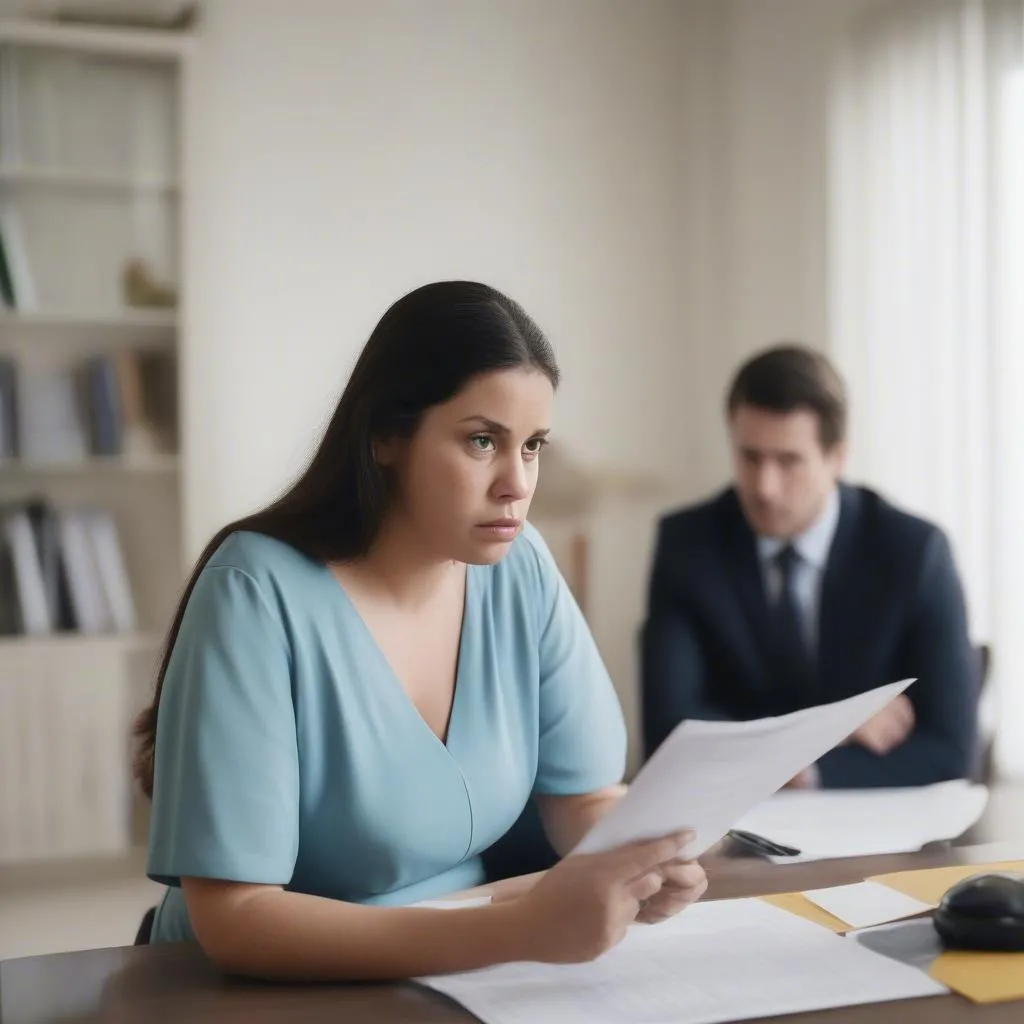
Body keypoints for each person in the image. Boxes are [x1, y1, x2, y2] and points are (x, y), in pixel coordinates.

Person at [134, 281, 707, 982]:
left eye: (531, 446)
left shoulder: (520, 567)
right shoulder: (255, 590)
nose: (517, 483)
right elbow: (237, 918)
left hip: (451, 973)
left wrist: (637, 862)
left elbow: (585, 798)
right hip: (240, 990)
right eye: (481, 441)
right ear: (385, 435)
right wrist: (518, 928)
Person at [641, 344, 979, 789]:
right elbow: (667, 731)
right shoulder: (688, 547)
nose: (764, 487)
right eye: (750, 457)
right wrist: (834, 728)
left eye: (788, 461)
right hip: (732, 831)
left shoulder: (914, 553)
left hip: (872, 830)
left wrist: (805, 771)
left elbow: (950, 750)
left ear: (837, 458)